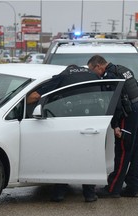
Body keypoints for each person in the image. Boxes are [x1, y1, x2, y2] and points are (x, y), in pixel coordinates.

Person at [27, 65, 99, 203]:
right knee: (89, 157)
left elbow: (34, 96)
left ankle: (59, 193)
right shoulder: (94, 75)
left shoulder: (63, 76)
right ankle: (89, 194)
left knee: (66, 156)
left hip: (69, 122)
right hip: (94, 122)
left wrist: (22, 101)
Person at [87, 55, 138, 198]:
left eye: (92, 70)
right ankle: (133, 187)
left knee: (123, 150)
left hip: (128, 113)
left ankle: (113, 189)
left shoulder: (110, 76)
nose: (92, 74)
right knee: (137, 150)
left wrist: (116, 125)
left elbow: (114, 103)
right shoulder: (123, 69)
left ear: (98, 67)